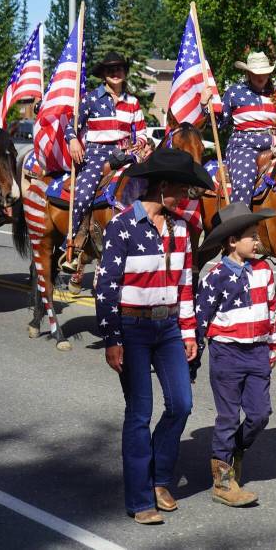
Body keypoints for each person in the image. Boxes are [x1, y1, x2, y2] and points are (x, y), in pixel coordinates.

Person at [96, 146, 212, 525]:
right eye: (181, 190)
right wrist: (113, 339)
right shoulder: (122, 226)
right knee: (139, 412)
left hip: (169, 329)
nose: (185, 197)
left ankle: (161, 478)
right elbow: (106, 286)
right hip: (132, 328)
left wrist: (189, 331)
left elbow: (186, 285)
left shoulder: (181, 228)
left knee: (181, 403)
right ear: (162, 187)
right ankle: (140, 497)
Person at [196, 202, 276, 507]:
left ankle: (237, 449)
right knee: (229, 417)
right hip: (227, 353)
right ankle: (223, 482)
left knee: (260, 415)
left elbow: (272, 311)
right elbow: (201, 316)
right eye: (252, 236)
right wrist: (193, 357)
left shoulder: (265, 270)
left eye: (258, 234)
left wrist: (271, 346)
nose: (258, 241)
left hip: (257, 351)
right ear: (232, 241)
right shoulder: (215, 274)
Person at [61, 51, 149, 272]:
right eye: (110, 69)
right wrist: (73, 142)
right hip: (97, 154)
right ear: (103, 74)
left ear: (125, 72)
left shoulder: (133, 102)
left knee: (148, 187)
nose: (115, 72)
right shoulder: (90, 99)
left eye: (119, 68)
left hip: (126, 153)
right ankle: (73, 246)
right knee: (82, 195)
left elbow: (141, 133)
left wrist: (137, 145)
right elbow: (71, 127)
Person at [203, 51, 276, 205]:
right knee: (243, 183)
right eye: (255, 73)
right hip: (243, 146)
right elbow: (218, 123)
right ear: (248, 73)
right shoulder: (234, 92)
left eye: (264, 73)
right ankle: (240, 225)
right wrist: (205, 105)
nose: (260, 77)